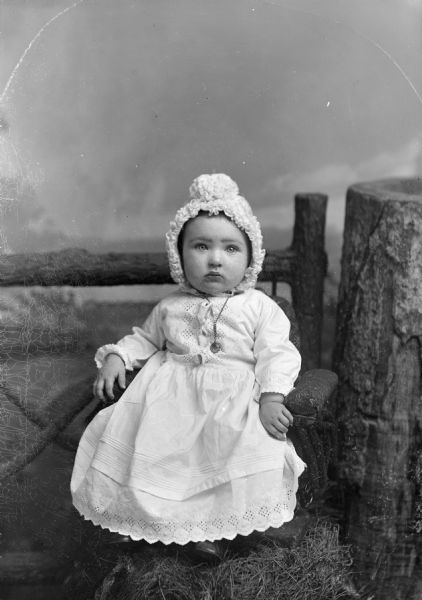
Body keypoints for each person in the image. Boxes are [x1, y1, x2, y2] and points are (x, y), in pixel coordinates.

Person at [71, 173, 305, 559]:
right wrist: (117, 356)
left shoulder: (259, 307)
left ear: (250, 258)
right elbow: (144, 339)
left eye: (231, 249)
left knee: (233, 451)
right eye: (201, 246)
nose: (215, 259)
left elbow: (277, 353)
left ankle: (210, 531)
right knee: (148, 452)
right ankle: (142, 523)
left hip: (229, 401)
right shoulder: (170, 306)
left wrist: (272, 397)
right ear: (180, 256)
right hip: (171, 398)